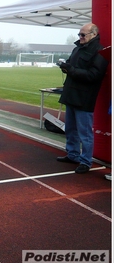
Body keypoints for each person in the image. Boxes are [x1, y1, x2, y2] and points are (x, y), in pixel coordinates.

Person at [56, 23, 108, 174]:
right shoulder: (77, 48)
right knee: (70, 129)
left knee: (85, 133)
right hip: (71, 94)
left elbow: (94, 75)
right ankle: (72, 154)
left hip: (84, 97)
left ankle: (86, 161)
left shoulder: (99, 51)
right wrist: (65, 66)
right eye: (79, 34)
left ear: (93, 34)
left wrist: (71, 70)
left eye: (83, 35)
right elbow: (73, 67)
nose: (80, 37)